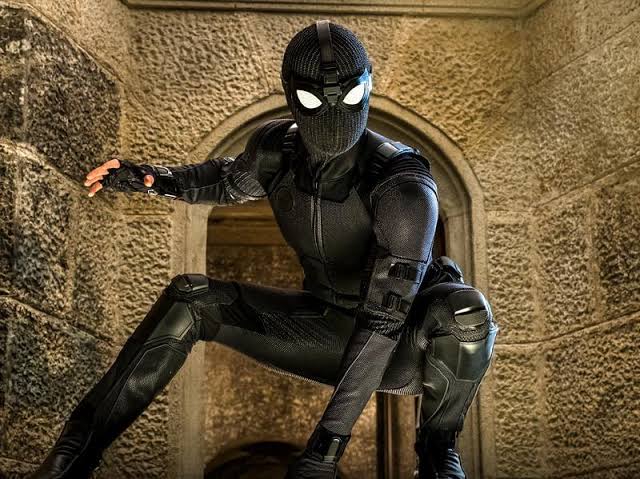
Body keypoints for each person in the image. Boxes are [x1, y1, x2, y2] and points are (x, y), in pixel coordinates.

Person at [29, 20, 497, 479]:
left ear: (367, 85)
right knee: (190, 300)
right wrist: (149, 179)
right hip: (324, 327)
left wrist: (324, 452)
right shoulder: (277, 150)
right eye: (314, 99)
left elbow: (383, 322)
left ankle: (438, 449)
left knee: (464, 311)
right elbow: (226, 180)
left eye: (350, 95)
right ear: (292, 94)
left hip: (403, 347)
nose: (334, 113)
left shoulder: (403, 183)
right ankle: (73, 456)